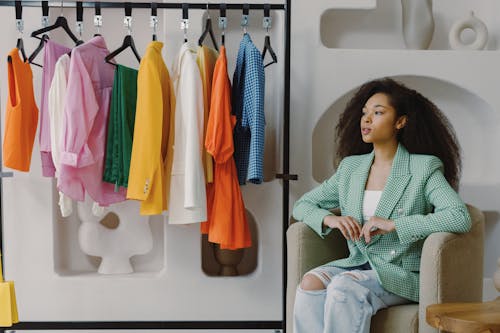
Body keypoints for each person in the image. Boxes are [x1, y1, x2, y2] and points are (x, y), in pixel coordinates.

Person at [292, 77, 472, 333]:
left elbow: (458, 216)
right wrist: (331, 219)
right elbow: (302, 205)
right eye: (365, 113)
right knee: (310, 284)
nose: (366, 119)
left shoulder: (423, 168)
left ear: (400, 122)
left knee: (343, 287)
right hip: (358, 264)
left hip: (400, 273)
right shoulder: (350, 169)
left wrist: (394, 225)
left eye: (378, 113)